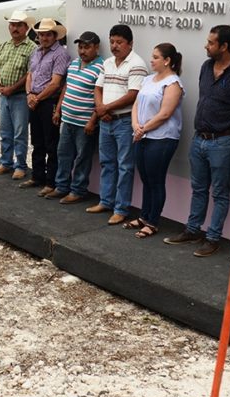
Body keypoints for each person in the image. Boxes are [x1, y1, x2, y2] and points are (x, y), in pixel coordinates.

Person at [164, 25, 230, 257]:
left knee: (220, 191)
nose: (206, 46)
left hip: (224, 141)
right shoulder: (206, 66)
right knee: (198, 188)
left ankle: (213, 237)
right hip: (200, 139)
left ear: (224, 46)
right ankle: (193, 230)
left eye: (211, 42)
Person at [89, 24, 148, 224]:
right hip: (106, 120)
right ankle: (105, 201)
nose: (114, 46)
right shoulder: (107, 62)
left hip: (123, 122)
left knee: (125, 166)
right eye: (112, 41)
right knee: (107, 163)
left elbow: (133, 95)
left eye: (119, 42)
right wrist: (101, 108)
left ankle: (121, 208)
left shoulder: (137, 64)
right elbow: (98, 87)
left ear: (130, 44)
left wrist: (106, 108)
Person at [128, 43, 185, 239]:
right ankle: (144, 216)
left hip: (162, 138)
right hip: (142, 135)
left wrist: (142, 129)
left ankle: (153, 222)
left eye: (156, 57)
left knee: (156, 179)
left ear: (167, 61)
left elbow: (165, 114)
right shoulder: (148, 79)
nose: (151, 60)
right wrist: (136, 125)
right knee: (145, 177)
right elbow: (136, 104)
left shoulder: (173, 84)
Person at [46, 30, 103, 204]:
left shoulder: (101, 68)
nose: (82, 51)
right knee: (63, 154)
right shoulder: (73, 64)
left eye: (87, 47)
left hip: (85, 123)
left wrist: (93, 120)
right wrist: (58, 110)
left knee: (82, 158)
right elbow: (65, 87)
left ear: (96, 48)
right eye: (80, 47)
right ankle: (62, 187)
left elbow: (102, 97)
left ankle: (78, 190)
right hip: (67, 119)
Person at [24, 17, 70, 187]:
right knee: (36, 141)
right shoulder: (36, 52)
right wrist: (29, 94)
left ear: (55, 36)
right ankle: (37, 176)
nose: (44, 38)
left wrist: (37, 98)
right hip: (34, 99)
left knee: (51, 143)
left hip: (48, 101)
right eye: (41, 35)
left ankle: (51, 182)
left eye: (47, 35)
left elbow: (55, 83)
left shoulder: (60, 54)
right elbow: (30, 75)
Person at [0, 13, 36, 178]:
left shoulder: (32, 48)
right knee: (5, 132)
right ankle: (6, 162)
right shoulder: (5, 45)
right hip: (4, 96)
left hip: (20, 96)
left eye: (19, 25)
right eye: (12, 25)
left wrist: (13, 88)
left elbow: (30, 74)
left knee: (20, 133)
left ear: (26, 28)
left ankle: (21, 166)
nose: (15, 28)